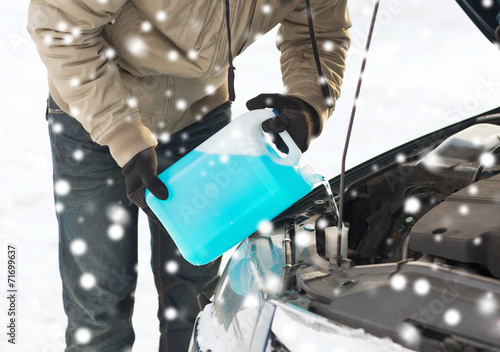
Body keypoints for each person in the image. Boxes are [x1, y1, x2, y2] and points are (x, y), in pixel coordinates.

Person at [27, 0, 351, 351]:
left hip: (200, 119)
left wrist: (307, 103)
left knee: (194, 301)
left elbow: (319, 31)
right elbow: (59, 26)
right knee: (99, 300)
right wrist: (123, 135)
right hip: (93, 113)